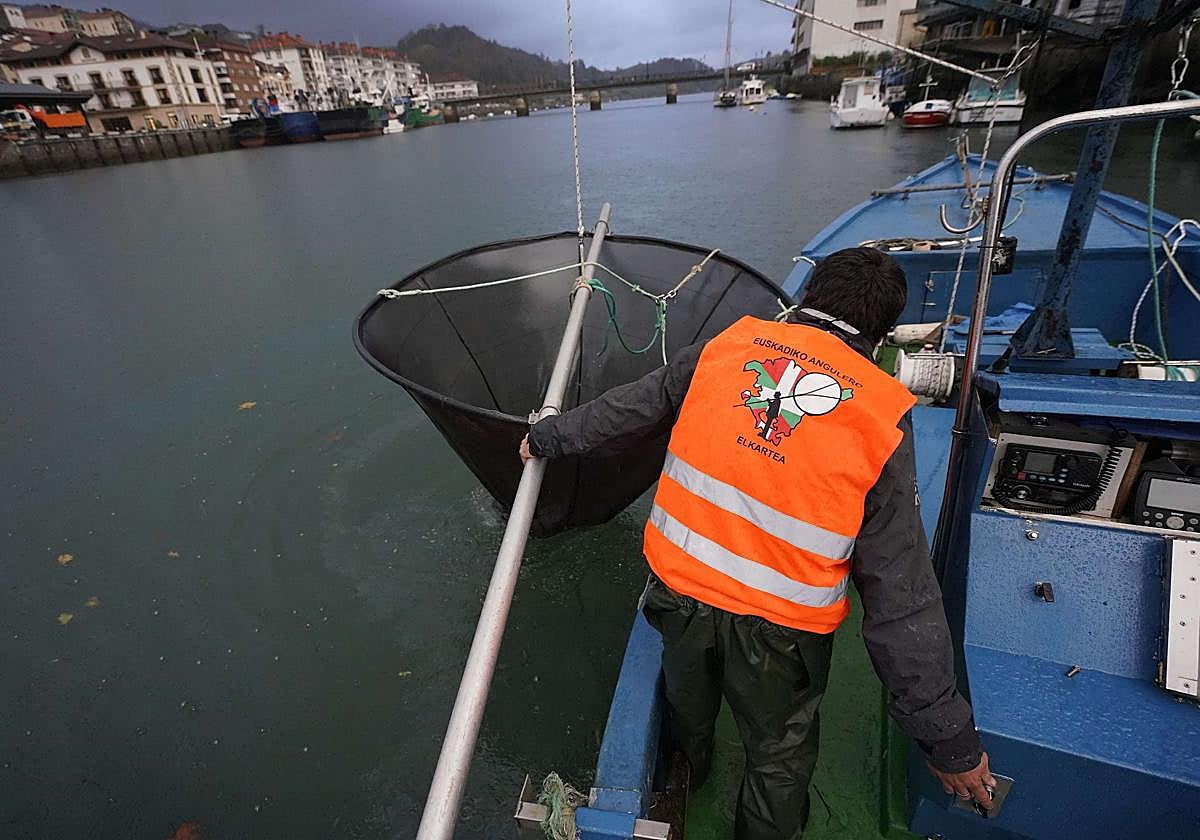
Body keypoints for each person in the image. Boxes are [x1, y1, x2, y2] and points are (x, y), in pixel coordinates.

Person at [519, 247, 993, 840]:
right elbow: (901, 592)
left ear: (808, 298)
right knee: (778, 752)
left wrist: (548, 437)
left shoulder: (729, 346)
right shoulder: (880, 412)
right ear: (882, 333)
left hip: (680, 594)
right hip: (782, 631)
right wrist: (947, 739)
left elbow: (632, 406)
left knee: (689, 707)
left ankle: (690, 771)